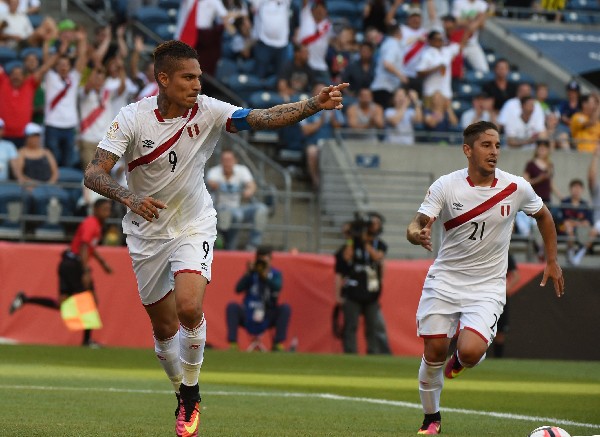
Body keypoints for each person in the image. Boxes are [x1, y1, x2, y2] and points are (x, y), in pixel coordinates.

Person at [82, 40, 347, 437]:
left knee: (189, 307)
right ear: (163, 79)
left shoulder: (208, 110)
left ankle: (191, 394)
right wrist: (129, 197)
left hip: (194, 222)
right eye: (188, 77)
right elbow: (94, 173)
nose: (196, 84)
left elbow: (260, 117)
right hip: (146, 232)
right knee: (164, 330)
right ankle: (180, 389)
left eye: (199, 77)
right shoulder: (132, 118)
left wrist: (311, 105)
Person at [406, 121, 564, 435]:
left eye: (497, 145)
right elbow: (418, 221)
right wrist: (416, 233)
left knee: (469, 351)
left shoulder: (516, 186)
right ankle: (431, 418)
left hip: (487, 287)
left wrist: (551, 260)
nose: (494, 152)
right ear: (468, 150)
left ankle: (462, 363)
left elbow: (544, 215)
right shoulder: (446, 185)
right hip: (446, 280)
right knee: (435, 351)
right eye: (486, 145)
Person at [8, 198, 113, 347]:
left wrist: (102, 263)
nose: (107, 213)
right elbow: (84, 246)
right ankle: (87, 341)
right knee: (89, 300)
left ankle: (25, 299)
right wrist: (85, 271)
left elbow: (89, 247)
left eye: (108, 210)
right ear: (95, 210)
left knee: (62, 305)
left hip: (67, 263)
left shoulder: (96, 225)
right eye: (104, 209)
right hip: (74, 265)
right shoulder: (92, 224)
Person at [334, 212, 390, 355]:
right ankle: (350, 352)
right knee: (351, 325)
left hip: (371, 293)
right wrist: (351, 238)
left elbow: (377, 257)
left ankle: (373, 352)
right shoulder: (354, 242)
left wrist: (366, 243)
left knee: (372, 326)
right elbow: (346, 257)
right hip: (353, 290)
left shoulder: (379, 244)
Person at [226, 245, 291, 351]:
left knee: (285, 308)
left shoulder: (275, 274)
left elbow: (278, 287)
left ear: (270, 260)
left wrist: (265, 276)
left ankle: (278, 343)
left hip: (267, 312)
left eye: (265, 261)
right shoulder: (252, 274)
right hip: (249, 312)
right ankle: (233, 343)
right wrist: (248, 274)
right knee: (232, 307)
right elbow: (238, 289)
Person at [206, 149, 269, 250]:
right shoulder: (214, 171)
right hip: (218, 208)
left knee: (261, 209)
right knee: (234, 215)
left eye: (229, 160)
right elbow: (211, 182)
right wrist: (222, 186)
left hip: (238, 207)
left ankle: (253, 244)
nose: (227, 163)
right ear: (221, 161)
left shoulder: (242, 170)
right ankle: (227, 245)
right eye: (224, 160)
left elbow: (252, 185)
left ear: (235, 161)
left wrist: (249, 191)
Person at [557, 179, 597, 266]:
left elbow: (588, 223)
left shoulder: (585, 204)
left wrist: (574, 222)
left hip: (581, 231)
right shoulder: (565, 203)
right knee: (568, 228)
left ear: (582, 190)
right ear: (570, 189)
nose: (576, 190)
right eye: (574, 188)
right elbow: (562, 221)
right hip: (564, 229)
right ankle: (570, 254)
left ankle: (579, 256)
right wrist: (578, 223)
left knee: (593, 231)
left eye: (579, 188)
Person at [492, 252, 520, 358]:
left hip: (500, 297)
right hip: (486, 293)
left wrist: (507, 289)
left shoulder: (506, 255)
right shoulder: (486, 252)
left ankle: (497, 359)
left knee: (500, 330)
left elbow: (517, 276)